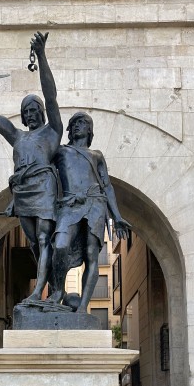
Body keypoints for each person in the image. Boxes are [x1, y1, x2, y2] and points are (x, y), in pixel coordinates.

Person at [0, 32, 62, 304]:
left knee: (44, 236)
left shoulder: (52, 131)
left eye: (34, 110)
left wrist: (41, 55)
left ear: (41, 112)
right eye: (26, 112)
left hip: (44, 186)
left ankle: (38, 291)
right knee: (35, 244)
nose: (30, 114)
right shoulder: (17, 137)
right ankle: (53, 283)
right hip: (24, 191)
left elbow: (51, 96)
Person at [47, 111, 131, 313]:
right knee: (60, 245)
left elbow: (107, 186)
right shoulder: (61, 151)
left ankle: (83, 307)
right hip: (70, 205)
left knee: (91, 254)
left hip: (95, 204)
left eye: (82, 122)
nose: (78, 126)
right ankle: (58, 292)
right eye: (74, 123)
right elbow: (43, 173)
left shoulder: (97, 155)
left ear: (89, 129)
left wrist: (117, 216)